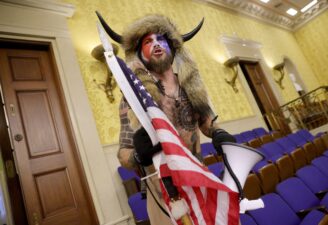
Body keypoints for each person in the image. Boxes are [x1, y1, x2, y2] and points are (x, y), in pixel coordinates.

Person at [98, 14, 236, 224]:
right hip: (162, 191)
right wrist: (138, 156)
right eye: (148, 41)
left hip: (197, 177)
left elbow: (207, 123)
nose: (155, 44)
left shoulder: (192, 87)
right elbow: (123, 154)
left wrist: (219, 133)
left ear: (172, 48)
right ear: (140, 53)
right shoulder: (134, 99)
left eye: (161, 39)